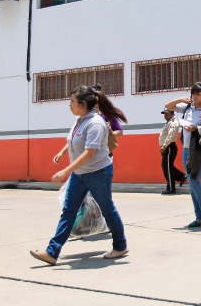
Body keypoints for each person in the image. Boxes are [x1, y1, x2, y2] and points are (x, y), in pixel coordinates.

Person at [30, 85, 128, 265]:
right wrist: (64, 156)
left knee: (107, 209)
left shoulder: (95, 123)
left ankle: (120, 245)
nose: (70, 104)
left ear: (82, 104)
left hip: (98, 172)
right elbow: (74, 143)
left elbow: (89, 152)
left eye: (72, 101)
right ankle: (52, 252)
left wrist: (65, 171)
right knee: (68, 211)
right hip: (79, 173)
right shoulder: (80, 120)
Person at [165, 82, 201, 227]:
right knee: (191, 183)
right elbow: (168, 106)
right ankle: (199, 217)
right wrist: (180, 99)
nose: (195, 97)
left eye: (198, 94)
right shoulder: (188, 106)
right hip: (187, 150)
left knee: (194, 180)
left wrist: (194, 129)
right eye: (193, 94)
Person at [91, 84, 126, 157]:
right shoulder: (91, 114)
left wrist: (104, 136)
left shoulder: (107, 114)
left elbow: (119, 132)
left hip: (104, 154)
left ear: (97, 99)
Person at [159, 108, 186, 195]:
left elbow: (170, 135)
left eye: (167, 114)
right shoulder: (169, 122)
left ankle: (171, 188)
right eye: (164, 114)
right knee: (167, 166)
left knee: (167, 167)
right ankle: (181, 176)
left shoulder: (173, 123)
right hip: (167, 147)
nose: (165, 115)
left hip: (169, 147)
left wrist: (164, 145)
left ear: (172, 114)